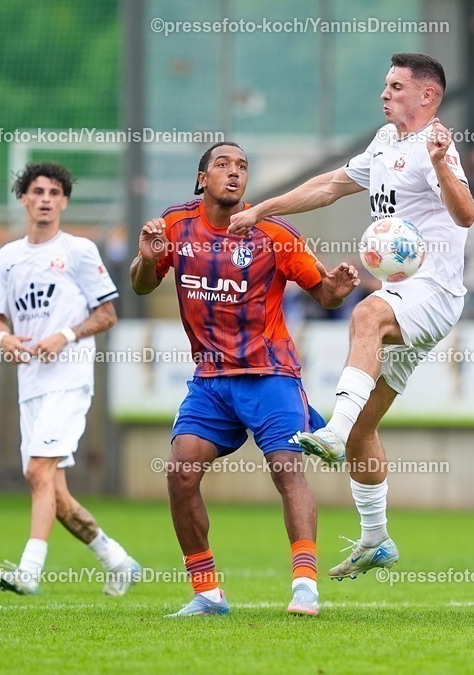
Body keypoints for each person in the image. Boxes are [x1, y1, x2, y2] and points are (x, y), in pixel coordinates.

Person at [228, 52, 474, 579]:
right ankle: (375, 537)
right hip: (405, 292)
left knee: (366, 315)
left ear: (427, 96)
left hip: (433, 289)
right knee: (367, 425)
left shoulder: (437, 149)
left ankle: (333, 432)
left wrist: (439, 164)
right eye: (384, 85)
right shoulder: (386, 143)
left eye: (396, 86)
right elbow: (331, 186)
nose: (384, 94)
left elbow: (466, 215)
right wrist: (260, 209)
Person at [130, 142, 360, 617]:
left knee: (286, 469)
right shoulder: (175, 225)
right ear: (201, 179)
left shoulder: (273, 232)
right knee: (181, 470)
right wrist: (147, 258)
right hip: (211, 380)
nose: (234, 173)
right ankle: (207, 592)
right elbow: (141, 284)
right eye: (223, 165)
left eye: (242, 167)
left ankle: (305, 586)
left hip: (269, 374)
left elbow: (325, 296)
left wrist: (335, 289)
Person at [0, 163, 140, 596]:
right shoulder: (7, 258)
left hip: (69, 380)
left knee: (39, 470)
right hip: (30, 385)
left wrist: (65, 334)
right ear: (24, 199)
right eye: (37, 191)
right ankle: (118, 560)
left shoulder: (78, 251)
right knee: (53, 496)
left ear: (64, 201)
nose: (45, 198)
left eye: (54, 192)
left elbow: (107, 314)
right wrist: (5, 341)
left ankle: (29, 573)